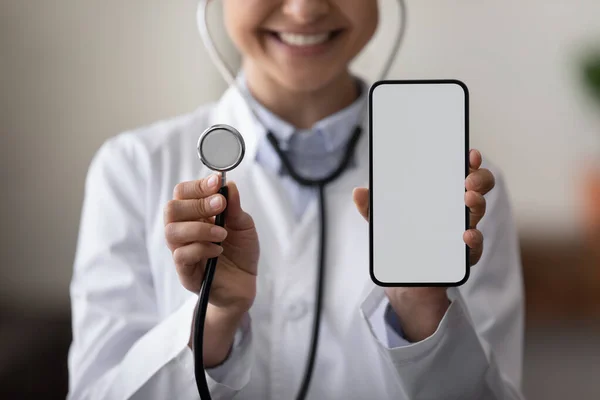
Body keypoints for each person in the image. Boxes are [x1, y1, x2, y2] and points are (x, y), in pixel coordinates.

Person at [67, 1, 525, 399]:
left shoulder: (465, 194)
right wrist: (214, 320)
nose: (304, 9)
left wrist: (423, 309)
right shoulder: (133, 168)